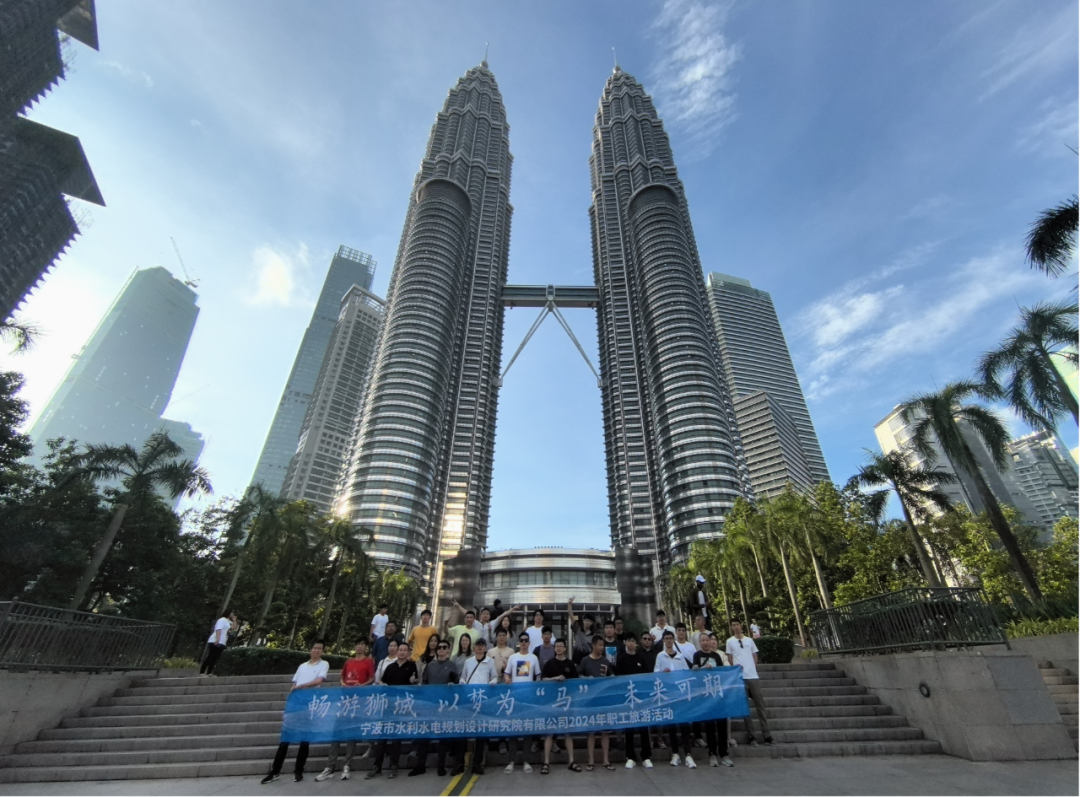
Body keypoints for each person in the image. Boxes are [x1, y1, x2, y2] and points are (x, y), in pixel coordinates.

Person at [260, 640, 328, 783]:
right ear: (310, 649)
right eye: (314, 648)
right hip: (295, 704)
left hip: (310, 705)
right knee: (285, 739)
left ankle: (298, 771)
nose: (316, 650)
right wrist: (289, 705)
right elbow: (294, 685)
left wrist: (302, 687)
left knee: (304, 740)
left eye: (319, 648)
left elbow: (319, 681)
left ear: (322, 651)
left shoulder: (324, 664)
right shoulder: (302, 666)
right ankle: (275, 771)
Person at [316, 638, 375, 781]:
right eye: (357, 644)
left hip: (358, 702)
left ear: (366, 647)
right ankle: (330, 767)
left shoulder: (368, 661)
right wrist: (343, 683)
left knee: (351, 735)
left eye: (362, 644)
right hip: (345, 701)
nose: (359, 647)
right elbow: (342, 677)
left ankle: (347, 765)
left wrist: (362, 686)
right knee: (336, 734)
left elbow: (372, 678)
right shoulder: (348, 661)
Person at [367, 642, 419, 779]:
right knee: (382, 737)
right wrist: (383, 685)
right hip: (388, 706)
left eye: (404, 650)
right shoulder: (390, 667)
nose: (402, 652)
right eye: (400, 650)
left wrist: (413, 681)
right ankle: (377, 766)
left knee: (396, 738)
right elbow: (382, 682)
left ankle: (393, 766)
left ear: (408, 652)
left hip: (402, 706)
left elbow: (415, 684)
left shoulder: (411, 666)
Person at [411, 639, 460, 777]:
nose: (441, 649)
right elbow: (425, 682)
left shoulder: (452, 665)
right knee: (424, 735)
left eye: (444, 647)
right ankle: (420, 765)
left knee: (442, 737)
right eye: (439, 647)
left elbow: (456, 682)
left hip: (444, 705)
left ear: (448, 650)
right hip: (430, 704)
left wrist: (452, 684)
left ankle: (441, 766)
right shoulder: (430, 665)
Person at [726, 620, 773, 746]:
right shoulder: (730, 641)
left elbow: (755, 656)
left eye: (737, 624)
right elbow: (730, 659)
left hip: (753, 676)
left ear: (741, 626)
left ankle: (767, 734)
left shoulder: (749, 640)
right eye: (733, 625)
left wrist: (752, 667)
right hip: (741, 677)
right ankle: (751, 735)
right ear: (731, 627)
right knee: (746, 708)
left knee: (760, 706)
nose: (736, 627)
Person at [654, 630, 696, 768]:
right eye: (666, 638)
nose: (668, 640)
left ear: (673, 640)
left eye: (670, 638)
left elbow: (686, 673)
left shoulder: (680, 656)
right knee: (671, 726)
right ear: (663, 641)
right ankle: (675, 753)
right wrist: (662, 673)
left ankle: (688, 754)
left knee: (684, 726)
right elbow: (655, 673)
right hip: (667, 694)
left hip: (680, 694)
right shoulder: (660, 656)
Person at [692, 633, 734, 768]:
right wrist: (703, 669)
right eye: (702, 640)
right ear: (700, 643)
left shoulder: (716, 656)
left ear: (711, 642)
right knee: (710, 726)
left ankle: (724, 754)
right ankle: (712, 753)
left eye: (707, 640)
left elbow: (722, 673)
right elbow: (694, 671)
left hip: (718, 695)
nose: (705, 642)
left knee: (722, 726)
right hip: (706, 696)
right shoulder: (697, 655)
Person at [540, 637, 581, 774]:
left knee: (568, 733)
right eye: (556, 646)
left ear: (565, 648)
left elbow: (576, 683)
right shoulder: (549, 664)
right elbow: (543, 680)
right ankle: (546, 762)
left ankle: (571, 761)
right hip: (552, 703)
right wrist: (555, 679)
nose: (558, 648)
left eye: (560, 646)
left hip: (566, 704)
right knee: (549, 733)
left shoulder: (570, 664)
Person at [461, 637, 499, 776]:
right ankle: (460, 763)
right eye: (477, 645)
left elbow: (494, 676)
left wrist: (492, 683)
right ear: (474, 647)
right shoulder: (468, 661)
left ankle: (477, 763)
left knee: (480, 733)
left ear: (485, 648)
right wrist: (462, 683)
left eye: (482, 645)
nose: (479, 647)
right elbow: (463, 677)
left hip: (483, 699)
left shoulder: (490, 661)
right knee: (464, 730)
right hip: (469, 699)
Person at [503, 632, 541, 773]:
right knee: (513, 730)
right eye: (522, 640)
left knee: (527, 731)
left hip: (528, 699)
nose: (524, 642)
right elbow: (506, 673)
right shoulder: (513, 657)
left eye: (526, 640)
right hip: (515, 699)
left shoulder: (534, 658)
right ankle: (511, 761)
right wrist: (507, 678)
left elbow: (538, 676)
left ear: (529, 643)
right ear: (519, 642)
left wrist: (535, 692)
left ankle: (526, 761)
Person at [615, 632, 652, 770]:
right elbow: (618, 678)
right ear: (625, 642)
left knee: (643, 727)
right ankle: (630, 756)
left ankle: (646, 756)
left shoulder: (641, 658)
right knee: (629, 728)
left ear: (636, 643)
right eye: (628, 641)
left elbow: (647, 676)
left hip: (640, 697)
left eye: (633, 641)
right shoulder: (621, 659)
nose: (631, 643)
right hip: (627, 697)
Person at [577, 635, 613, 770]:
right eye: (599, 645)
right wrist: (586, 678)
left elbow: (611, 675)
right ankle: (591, 760)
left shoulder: (605, 661)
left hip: (604, 701)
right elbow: (578, 675)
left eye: (603, 645)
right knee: (591, 732)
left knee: (605, 732)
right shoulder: (585, 660)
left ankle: (606, 760)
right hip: (590, 701)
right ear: (593, 645)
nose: (602, 648)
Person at [201, 609, 236, 676]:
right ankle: (202, 672)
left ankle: (209, 672)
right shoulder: (222, 620)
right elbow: (218, 629)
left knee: (215, 658)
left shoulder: (229, 622)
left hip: (222, 642)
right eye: (232, 612)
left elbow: (233, 628)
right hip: (215, 640)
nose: (233, 614)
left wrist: (234, 620)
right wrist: (217, 639)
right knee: (211, 656)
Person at [567, 597, 595, 664]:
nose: (587, 622)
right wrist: (569, 605)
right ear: (583, 621)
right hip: (576, 659)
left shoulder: (593, 636)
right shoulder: (578, 630)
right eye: (586, 620)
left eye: (589, 621)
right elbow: (571, 617)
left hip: (587, 660)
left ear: (591, 623)